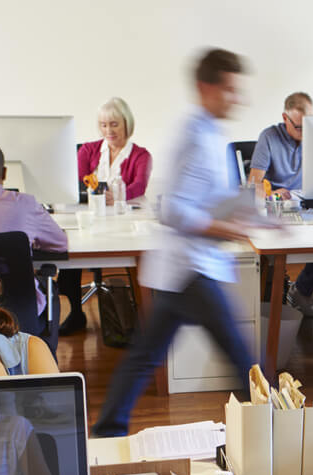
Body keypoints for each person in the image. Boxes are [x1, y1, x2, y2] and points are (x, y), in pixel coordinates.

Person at [92, 49, 258, 438]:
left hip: (186, 267)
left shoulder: (212, 134)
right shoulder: (192, 136)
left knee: (146, 355)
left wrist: (251, 217)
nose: (237, 99)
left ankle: (106, 430)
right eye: (230, 90)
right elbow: (169, 208)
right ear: (206, 87)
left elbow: (210, 197)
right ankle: (270, 433)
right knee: (242, 358)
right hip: (189, 267)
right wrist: (220, 228)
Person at [61, 97, 153, 336]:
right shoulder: (88, 150)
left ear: (126, 124)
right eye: (103, 125)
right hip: (91, 216)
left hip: (125, 219)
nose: (108, 130)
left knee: (137, 255)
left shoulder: (141, 155)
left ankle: (136, 318)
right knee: (70, 250)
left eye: (114, 124)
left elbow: (139, 186)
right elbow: (79, 183)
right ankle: (75, 314)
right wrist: (103, 193)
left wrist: (117, 196)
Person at [248, 91, 313, 319]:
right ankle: (269, 303)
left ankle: (302, 291)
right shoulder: (269, 137)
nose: (305, 132)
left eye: (309, 125)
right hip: (276, 206)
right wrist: (272, 193)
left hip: (307, 204)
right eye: (299, 127)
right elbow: (254, 182)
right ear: (285, 118)